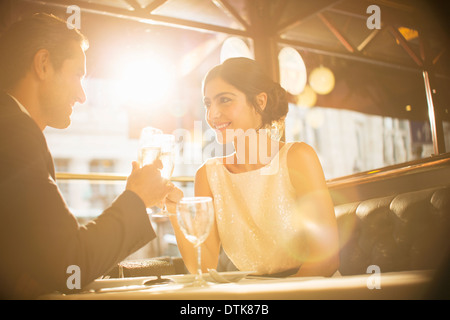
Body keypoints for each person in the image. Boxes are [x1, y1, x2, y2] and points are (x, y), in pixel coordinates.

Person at [0, 13, 182, 299]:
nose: (82, 96)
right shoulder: (14, 135)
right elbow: (70, 264)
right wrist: (137, 199)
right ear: (43, 64)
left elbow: (44, 259)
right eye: (77, 75)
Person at [171, 57, 339, 277]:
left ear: (260, 101)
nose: (212, 114)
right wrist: (174, 210)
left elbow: (325, 260)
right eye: (208, 103)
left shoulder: (297, 158)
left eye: (225, 100)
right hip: (254, 295)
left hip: (309, 291)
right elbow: (204, 267)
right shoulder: (207, 175)